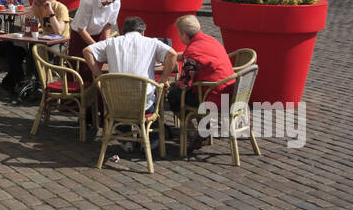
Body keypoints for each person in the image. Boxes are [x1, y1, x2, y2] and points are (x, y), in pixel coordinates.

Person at [82, 16, 176, 159]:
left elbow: (87, 51)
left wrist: (100, 75)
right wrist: (163, 80)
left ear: (123, 31)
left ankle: (125, 138)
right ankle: (152, 140)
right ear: (143, 32)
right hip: (142, 105)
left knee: (120, 98)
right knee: (155, 97)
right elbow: (172, 54)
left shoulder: (112, 42)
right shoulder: (151, 42)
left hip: (116, 105)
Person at [170, 14, 237, 153]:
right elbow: (199, 55)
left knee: (174, 95)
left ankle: (192, 130)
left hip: (212, 97)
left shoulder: (192, 52)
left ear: (183, 34)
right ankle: (202, 127)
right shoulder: (209, 40)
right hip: (230, 92)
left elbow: (185, 84)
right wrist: (178, 55)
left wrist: (172, 83)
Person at [70, 0, 123, 65]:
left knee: (98, 66)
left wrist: (106, 45)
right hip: (79, 37)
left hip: (98, 35)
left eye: (113, 1)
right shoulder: (89, 1)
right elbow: (81, 29)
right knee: (79, 68)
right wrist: (97, 47)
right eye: (111, 0)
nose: (111, 3)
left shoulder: (116, 2)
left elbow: (108, 24)